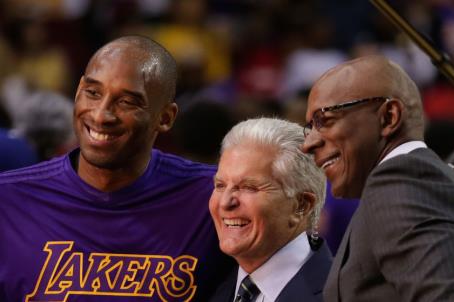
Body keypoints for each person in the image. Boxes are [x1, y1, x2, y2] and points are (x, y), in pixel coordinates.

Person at [0, 36, 233, 302]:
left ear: (165, 117)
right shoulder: (7, 200)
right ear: (78, 92)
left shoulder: (213, 198)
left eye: (127, 102)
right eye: (93, 93)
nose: (101, 115)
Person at [302, 55, 454, 302]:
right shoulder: (411, 181)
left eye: (325, 120)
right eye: (310, 126)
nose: (308, 144)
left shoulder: (401, 181)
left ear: (388, 117)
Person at [209, 117, 332, 302]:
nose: (225, 202)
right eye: (220, 185)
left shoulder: (343, 292)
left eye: (249, 187)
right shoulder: (207, 285)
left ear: (301, 206)